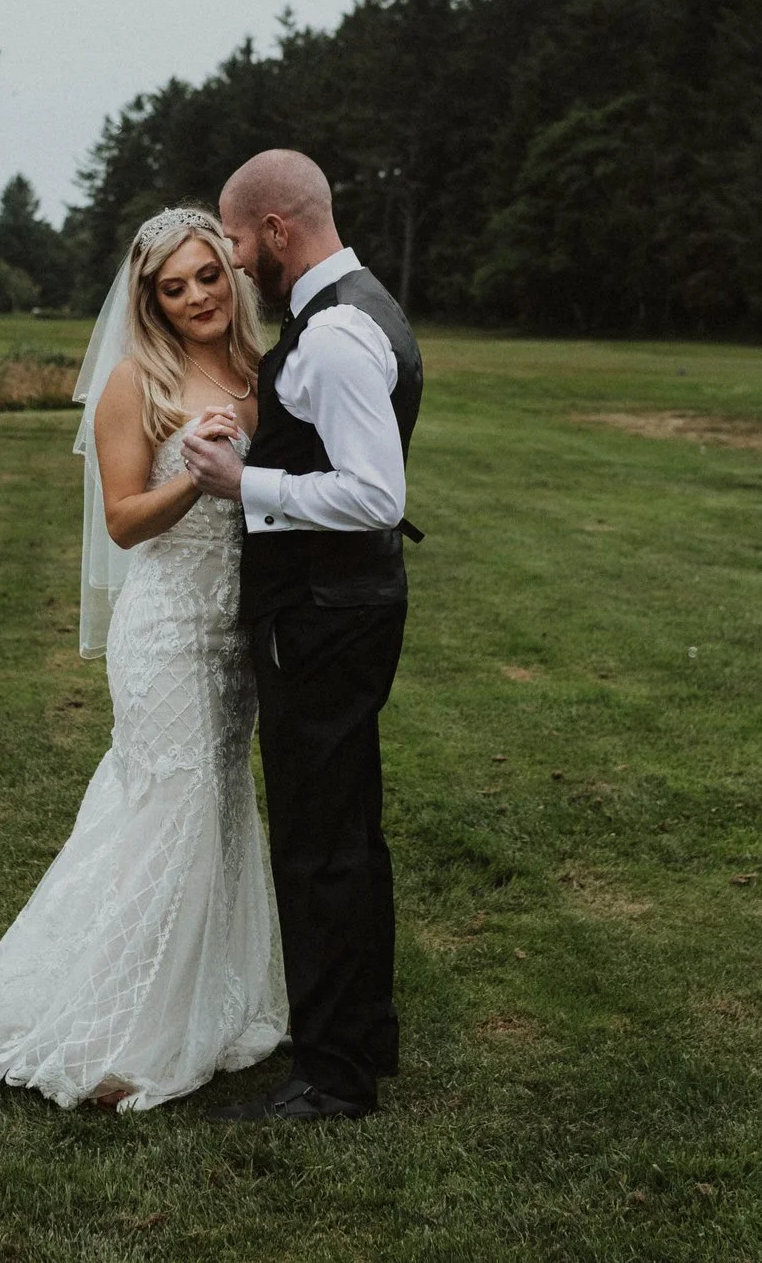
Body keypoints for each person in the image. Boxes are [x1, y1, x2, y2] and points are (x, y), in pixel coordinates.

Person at [0, 208, 288, 1111]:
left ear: (228, 274)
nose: (198, 295)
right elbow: (125, 518)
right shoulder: (137, 382)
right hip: (165, 628)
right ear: (151, 301)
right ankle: (124, 1018)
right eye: (175, 287)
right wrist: (192, 478)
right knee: (173, 799)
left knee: (222, 802)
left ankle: (208, 992)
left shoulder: (259, 370)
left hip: (235, 628)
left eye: (208, 275)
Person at [184, 148, 422, 1123]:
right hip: (346, 607)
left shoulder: (331, 333)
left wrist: (247, 484)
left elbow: (374, 492)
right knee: (349, 834)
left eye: (236, 240)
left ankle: (331, 1077)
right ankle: (362, 1034)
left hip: (320, 616)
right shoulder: (365, 306)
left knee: (318, 844)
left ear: (276, 228)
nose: (235, 261)